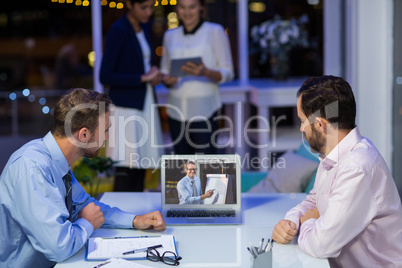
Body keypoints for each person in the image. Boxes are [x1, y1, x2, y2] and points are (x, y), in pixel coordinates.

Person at [0, 88, 166, 267]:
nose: (108, 137)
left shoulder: (55, 160)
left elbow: (87, 205)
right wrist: (87, 223)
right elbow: (59, 247)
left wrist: (135, 221)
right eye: (106, 130)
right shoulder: (33, 168)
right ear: (84, 135)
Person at [272, 75, 402, 267]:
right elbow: (313, 201)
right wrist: (291, 223)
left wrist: (307, 223)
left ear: (320, 125)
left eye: (302, 121)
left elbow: (321, 245)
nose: (301, 128)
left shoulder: (356, 167)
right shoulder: (334, 155)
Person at [100, 0, 163, 192]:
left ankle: (138, 218)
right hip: (125, 107)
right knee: (126, 166)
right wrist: (142, 77)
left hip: (143, 100)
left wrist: (153, 75)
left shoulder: (144, 28)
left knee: (140, 166)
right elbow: (105, 75)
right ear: (129, 4)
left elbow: (141, 65)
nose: (149, 12)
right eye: (144, 7)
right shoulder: (118, 30)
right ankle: (122, 218)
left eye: (152, 7)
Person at [160, 0, 234, 154]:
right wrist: (167, 80)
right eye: (182, 7)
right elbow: (165, 71)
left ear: (201, 7)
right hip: (176, 112)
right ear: (177, 9)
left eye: (192, 7)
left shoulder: (215, 31)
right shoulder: (170, 35)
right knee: (182, 169)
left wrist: (205, 72)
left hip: (205, 110)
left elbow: (228, 72)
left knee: (206, 166)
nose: (187, 12)